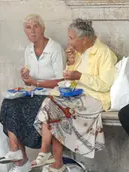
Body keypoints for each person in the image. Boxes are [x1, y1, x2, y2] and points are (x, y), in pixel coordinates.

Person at [33, 18, 117, 172]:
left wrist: (79, 76)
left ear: (84, 39)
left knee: (53, 106)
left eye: (71, 38)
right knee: (51, 105)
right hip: (76, 96)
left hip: (96, 98)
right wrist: (71, 63)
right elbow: (69, 79)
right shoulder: (79, 52)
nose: (69, 42)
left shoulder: (104, 53)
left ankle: (47, 154)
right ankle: (52, 159)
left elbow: (105, 84)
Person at [0, 14, 66, 172]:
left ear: (43, 29)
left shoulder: (54, 48)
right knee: (9, 104)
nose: (32, 31)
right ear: (25, 31)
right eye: (28, 28)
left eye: (36, 26)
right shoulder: (28, 50)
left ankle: (44, 157)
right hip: (34, 93)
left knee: (36, 107)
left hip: (52, 94)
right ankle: (18, 155)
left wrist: (35, 83)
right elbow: (29, 80)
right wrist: (26, 78)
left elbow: (61, 80)